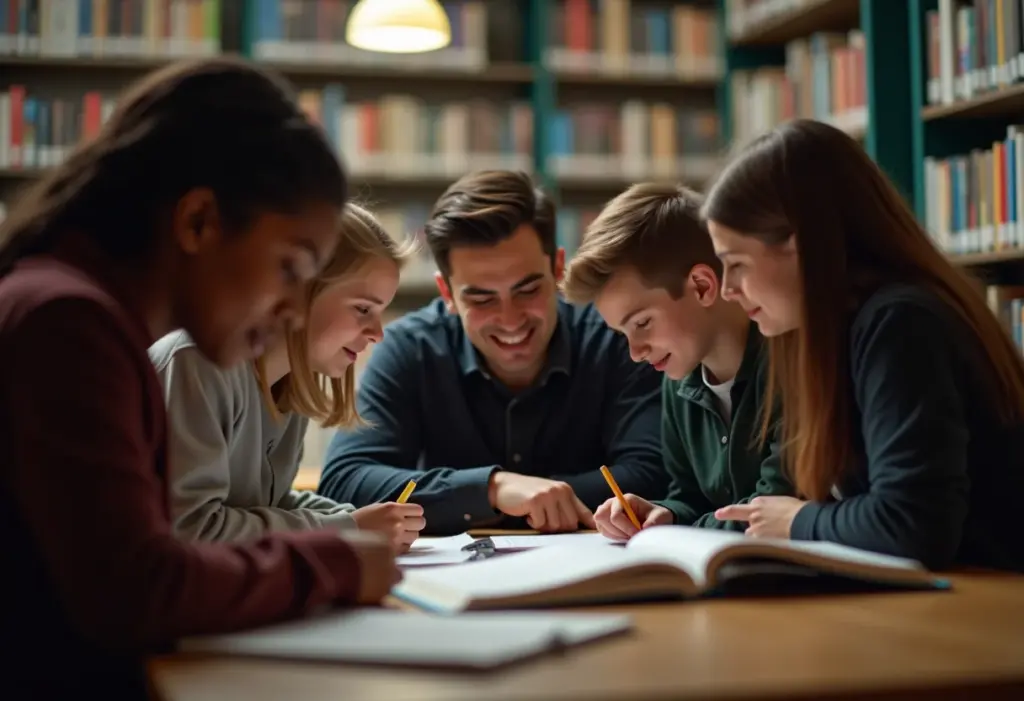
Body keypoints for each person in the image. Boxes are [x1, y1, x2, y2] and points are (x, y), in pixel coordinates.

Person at [0, 58, 399, 698]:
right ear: (197, 224)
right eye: (290, 269)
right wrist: (335, 559)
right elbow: (140, 588)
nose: (296, 309)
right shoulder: (68, 322)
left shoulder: (79, 312)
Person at [701, 118, 1024, 572]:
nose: (728, 290)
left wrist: (800, 522)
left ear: (801, 245)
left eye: (736, 264)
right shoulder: (827, 333)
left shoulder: (900, 323)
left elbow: (912, 524)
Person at [318, 170, 668, 535]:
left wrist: (491, 502)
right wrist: (493, 489)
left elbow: (654, 474)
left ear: (558, 269)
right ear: (447, 294)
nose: (510, 319)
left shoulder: (617, 340)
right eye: (481, 298)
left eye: (528, 289)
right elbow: (345, 482)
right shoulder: (410, 348)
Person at [151, 203, 425, 552]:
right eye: (362, 309)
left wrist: (357, 519)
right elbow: (192, 529)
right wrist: (346, 527)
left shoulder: (289, 385)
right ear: (301, 291)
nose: (377, 333)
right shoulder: (198, 363)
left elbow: (266, 505)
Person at [561, 182, 792, 541]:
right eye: (623, 334)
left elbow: (774, 511)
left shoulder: (792, 365)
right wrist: (664, 514)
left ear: (701, 286)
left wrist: (682, 528)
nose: (635, 352)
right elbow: (691, 497)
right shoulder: (677, 380)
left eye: (642, 324)